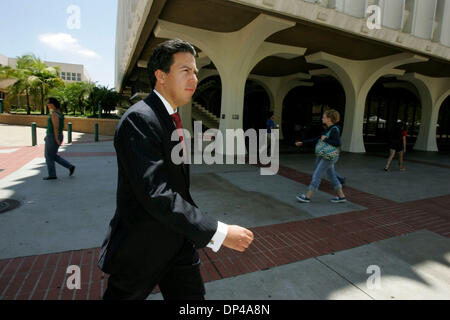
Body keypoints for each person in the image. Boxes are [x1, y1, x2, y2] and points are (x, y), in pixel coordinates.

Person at [98, 39, 254, 300]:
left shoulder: (170, 117)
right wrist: (219, 232)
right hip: (143, 247)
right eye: (185, 70)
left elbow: (178, 187)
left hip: (178, 242)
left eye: (195, 71)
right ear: (161, 76)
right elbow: (156, 192)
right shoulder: (140, 119)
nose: (194, 77)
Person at [294, 109, 346, 203]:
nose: (322, 118)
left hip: (329, 156)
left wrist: (326, 139)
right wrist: (302, 143)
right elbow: (316, 139)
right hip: (324, 155)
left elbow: (337, 143)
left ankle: (307, 196)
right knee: (331, 176)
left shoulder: (334, 129)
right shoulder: (327, 129)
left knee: (317, 174)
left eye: (324, 117)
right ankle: (341, 196)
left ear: (329, 119)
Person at [43, 97, 75, 180]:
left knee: (49, 156)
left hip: (53, 136)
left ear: (52, 104)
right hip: (53, 136)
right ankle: (70, 166)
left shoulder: (55, 114)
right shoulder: (58, 112)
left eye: (48, 103)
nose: (47, 105)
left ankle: (52, 175)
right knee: (52, 155)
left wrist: (56, 138)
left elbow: (56, 127)